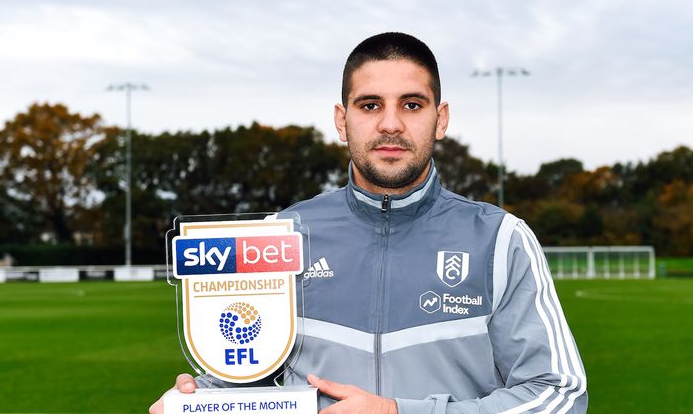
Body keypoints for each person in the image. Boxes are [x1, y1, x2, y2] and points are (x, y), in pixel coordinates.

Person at [150, 32, 587, 414]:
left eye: (412, 104)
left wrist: (401, 412)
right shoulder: (277, 236)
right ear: (343, 120)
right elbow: (243, 379)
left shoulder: (499, 239)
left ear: (441, 119)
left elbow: (560, 397)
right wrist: (198, 398)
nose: (391, 124)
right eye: (370, 104)